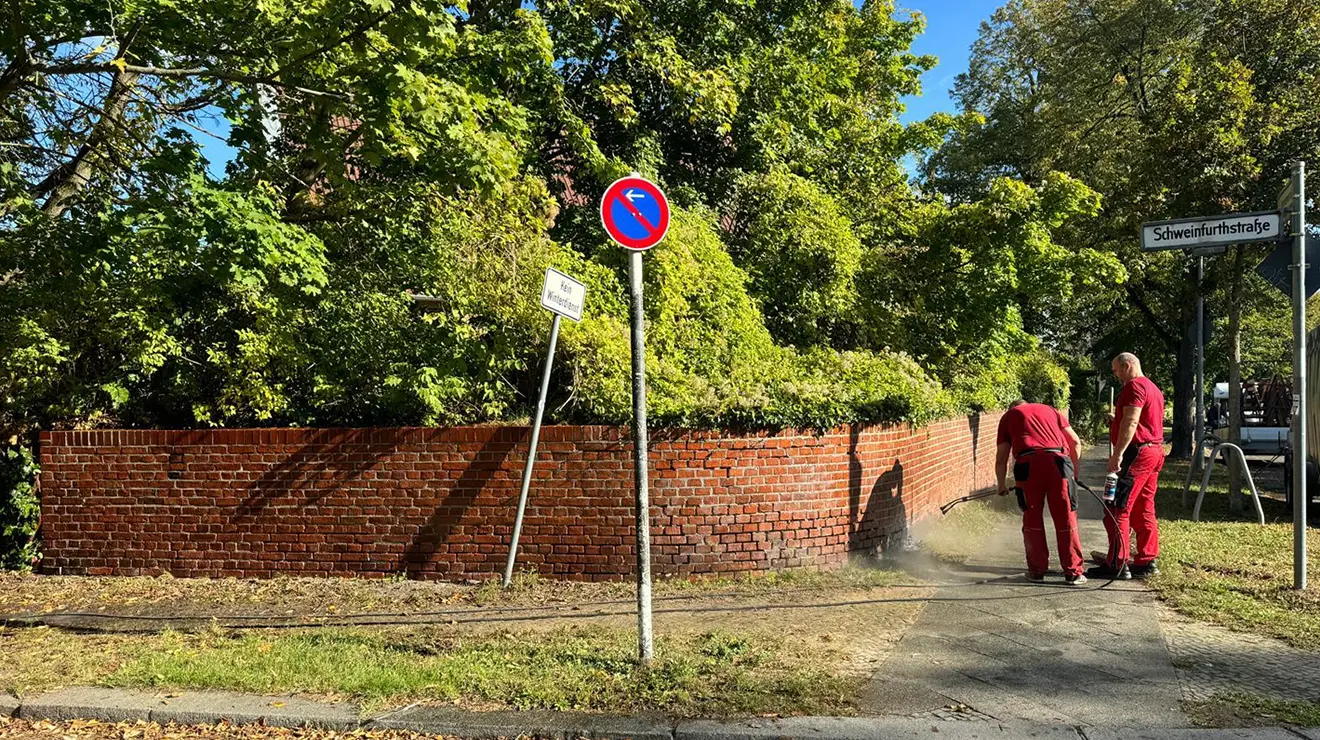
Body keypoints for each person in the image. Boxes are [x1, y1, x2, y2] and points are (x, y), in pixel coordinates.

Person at [1088, 352, 1166, 580]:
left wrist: (1118, 454)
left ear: (1127, 366)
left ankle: (1117, 563)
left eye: (1116, 371)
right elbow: (1140, 420)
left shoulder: (1134, 387)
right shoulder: (1153, 388)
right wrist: (1117, 421)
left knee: (1116, 507)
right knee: (1143, 507)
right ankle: (1147, 560)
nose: (1116, 376)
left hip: (1136, 453)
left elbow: (1132, 422)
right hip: (1153, 451)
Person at [996, 399, 1087, 585]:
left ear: (1012, 408)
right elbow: (1075, 442)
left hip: (1027, 465)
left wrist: (1001, 485)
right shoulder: (1050, 410)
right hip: (1059, 463)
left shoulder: (1008, 416)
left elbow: (1001, 458)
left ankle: (1037, 571)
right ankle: (1074, 573)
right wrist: (1074, 474)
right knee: (1066, 517)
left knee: (1032, 518)